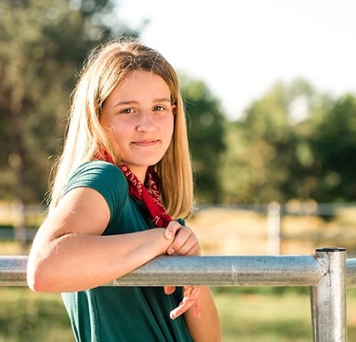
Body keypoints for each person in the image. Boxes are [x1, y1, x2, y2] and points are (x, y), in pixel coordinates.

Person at [26, 39, 221, 342]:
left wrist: (192, 269)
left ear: (174, 113)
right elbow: (44, 268)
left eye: (158, 107)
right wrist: (160, 240)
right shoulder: (105, 178)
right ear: (97, 118)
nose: (147, 124)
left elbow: (209, 339)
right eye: (128, 110)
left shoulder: (159, 212)